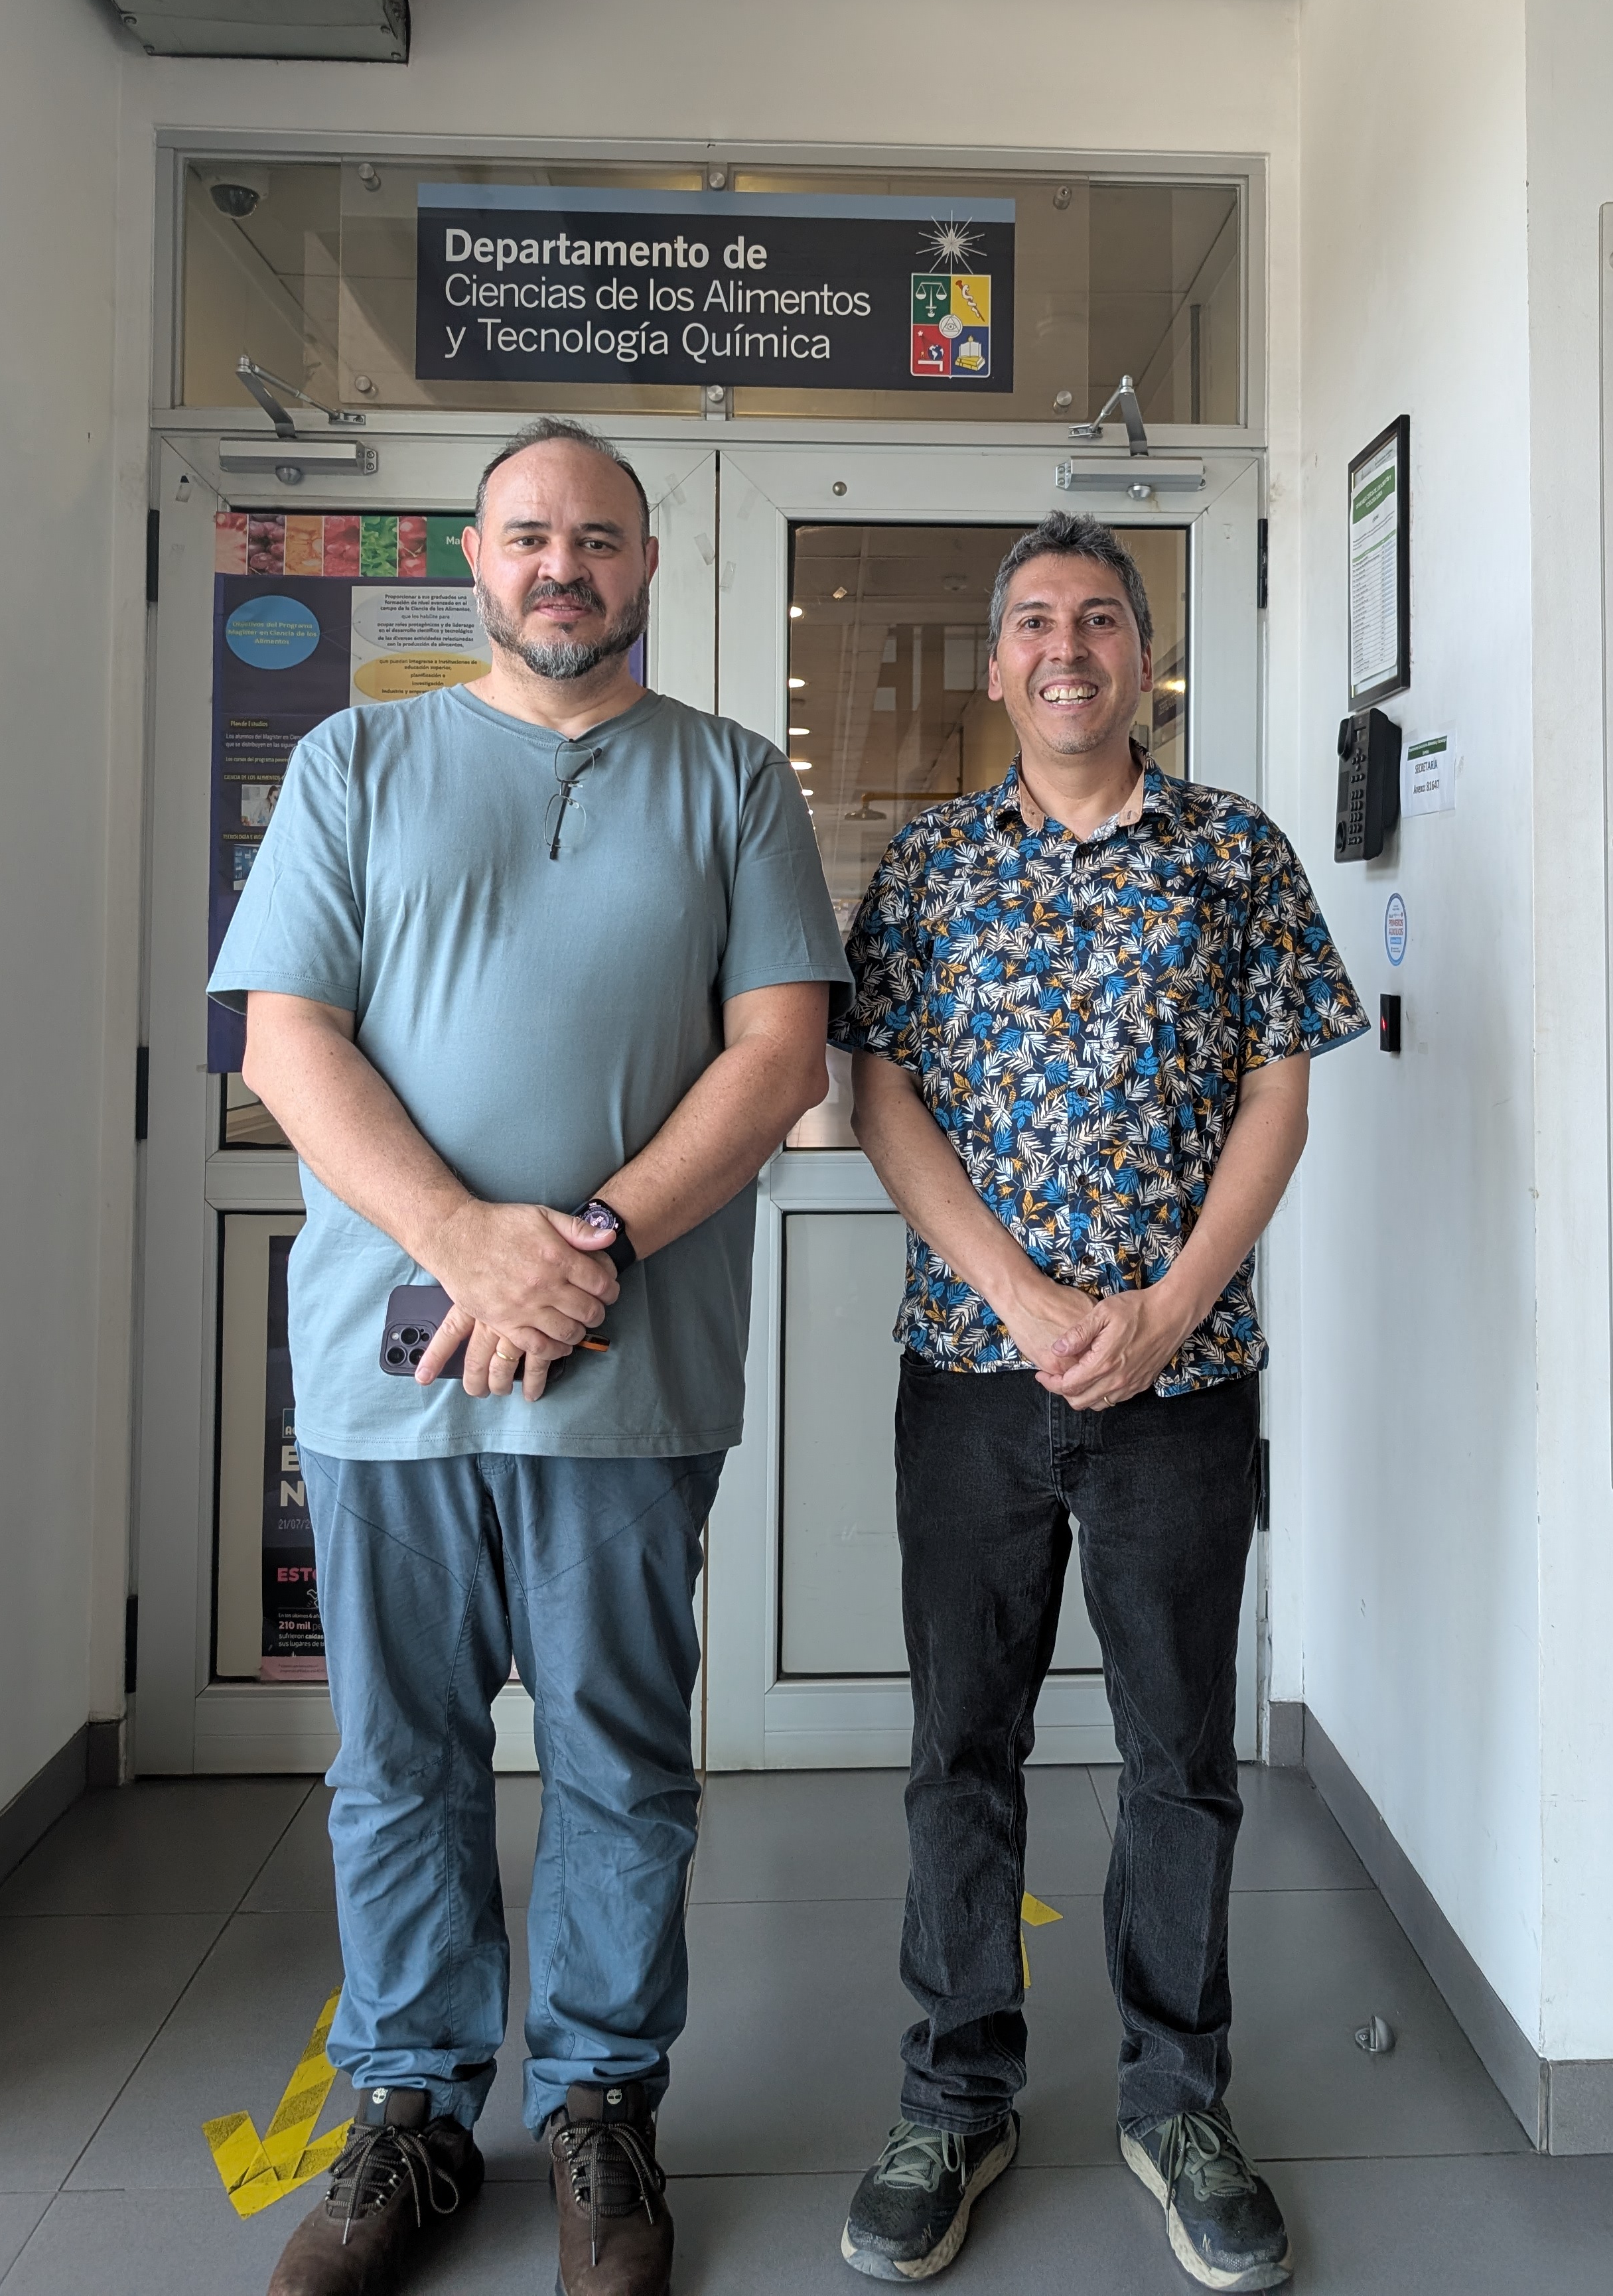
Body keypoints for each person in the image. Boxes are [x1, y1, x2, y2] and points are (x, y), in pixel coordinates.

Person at [210, 418, 847, 2296]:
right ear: (476, 561)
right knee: (398, 1757)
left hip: (628, 1371)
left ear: (645, 564)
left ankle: (598, 2106)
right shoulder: (355, 763)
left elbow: (777, 1057)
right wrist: (470, 1243)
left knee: (622, 1759)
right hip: (389, 1369)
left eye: (597, 537)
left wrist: (593, 1244)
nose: (561, 564)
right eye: (525, 535)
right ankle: (409, 2112)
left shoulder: (734, 782)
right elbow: (285, 1038)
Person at [834, 512, 1366, 2291]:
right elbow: (884, 1094)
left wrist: (1171, 1305)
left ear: (1145, 657)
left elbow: (1282, 1086)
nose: (1068, 647)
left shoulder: (1237, 853)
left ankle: (1177, 2100)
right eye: (1036, 622)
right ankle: (952, 2098)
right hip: (972, 1377)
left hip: (1183, 1383)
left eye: (1101, 619)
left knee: (1180, 1758)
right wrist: (1023, 1294)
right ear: (998, 662)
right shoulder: (930, 867)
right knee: (960, 1750)